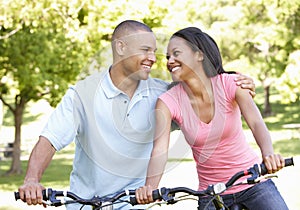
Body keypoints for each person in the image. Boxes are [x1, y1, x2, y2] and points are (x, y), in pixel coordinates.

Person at [18, 21, 255, 210]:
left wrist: (239, 82)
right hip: (85, 203)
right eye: (146, 50)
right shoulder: (83, 94)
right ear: (121, 47)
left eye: (154, 51)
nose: (153, 58)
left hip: (133, 203)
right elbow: (49, 140)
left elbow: (208, 91)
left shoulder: (165, 94)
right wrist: (31, 179)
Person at [135, 27, 288, 210]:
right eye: (168, 57)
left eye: (176, 53)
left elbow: (256, 123)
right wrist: (150, 187)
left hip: (252, 184)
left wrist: (268, 154)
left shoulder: (230, 84)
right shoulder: (168, 102)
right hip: (210, 195)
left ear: (199, 55)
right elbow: (160, 149)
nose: (170, 61)